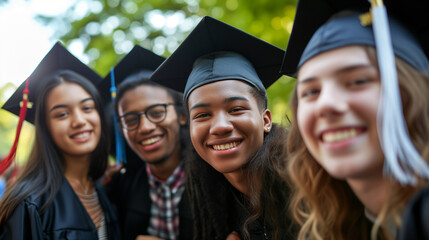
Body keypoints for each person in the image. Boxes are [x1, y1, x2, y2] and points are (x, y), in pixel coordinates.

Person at [280, 0, 429, 239]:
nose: (326, 104)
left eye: (358, 81)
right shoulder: (343, 227)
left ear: (414, 94)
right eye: (310, 92)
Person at [151, 16, 294, 239]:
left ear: (266, 120)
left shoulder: (305, 181)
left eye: (236, 109)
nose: (219, 127)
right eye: (202, 115)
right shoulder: (206, 194)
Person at [0, 42, 121, 239]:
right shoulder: (29, 205)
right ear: (45, 127)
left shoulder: (99, 190)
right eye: (62, 114)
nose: (80, 121)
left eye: (87, 108)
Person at [101, 45, 194, 240]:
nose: (144, 127)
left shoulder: (218, 180)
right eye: (130, 119)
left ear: (183, 115)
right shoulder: (121, 186)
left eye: (157, 112)